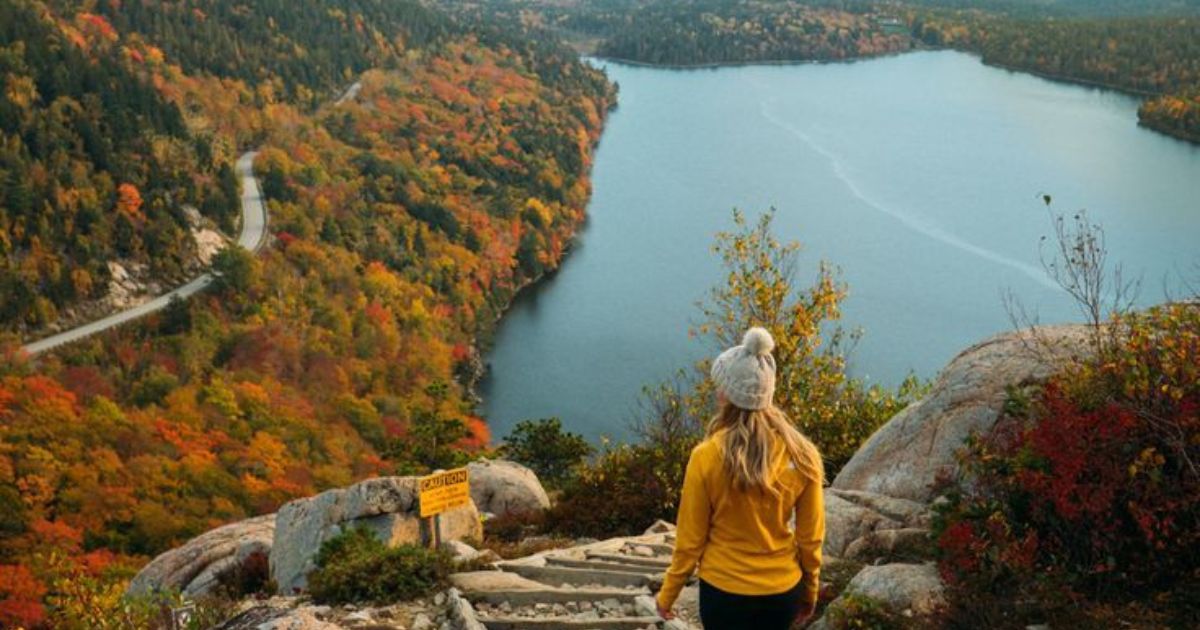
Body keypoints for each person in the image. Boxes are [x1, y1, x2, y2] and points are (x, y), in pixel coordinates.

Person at [655, 327, 825, 629]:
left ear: (726, 394)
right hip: (782, 591)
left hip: (723, 592)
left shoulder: (706, 456)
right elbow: (810, 538)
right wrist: (810, 589)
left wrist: (668, 593)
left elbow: (690, 540)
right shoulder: (803, 455)